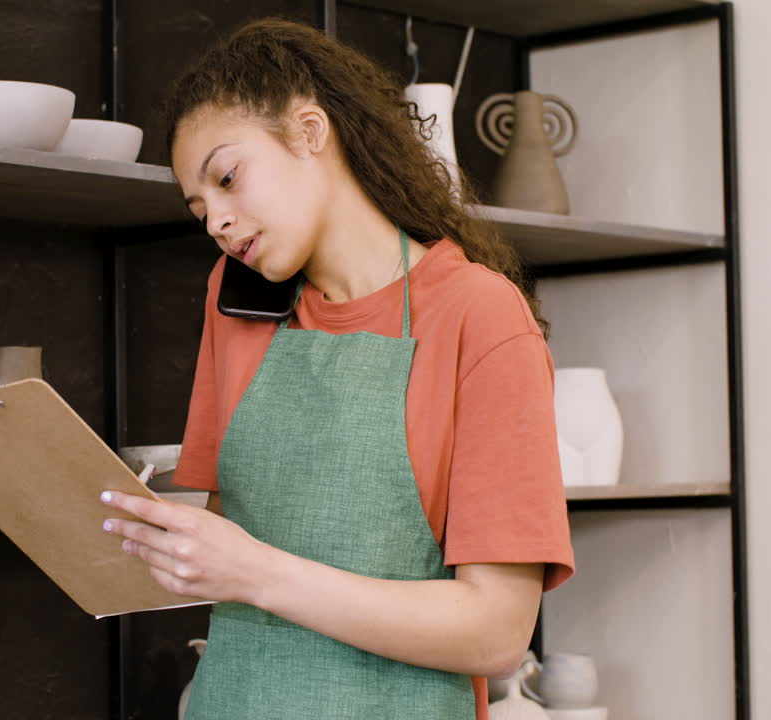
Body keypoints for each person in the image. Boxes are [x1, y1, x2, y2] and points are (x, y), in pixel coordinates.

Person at [99, 17, 574, 720]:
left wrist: (258, 574)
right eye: (200, 210)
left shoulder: (478, 316)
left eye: (228, 178)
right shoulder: (234, 305)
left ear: (311, 132)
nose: (218, 224)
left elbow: (498, 631)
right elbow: (232, 534)